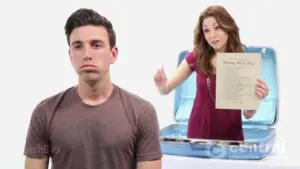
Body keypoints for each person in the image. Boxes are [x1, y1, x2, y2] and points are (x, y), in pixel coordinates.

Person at [24, 8, 162, 169]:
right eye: (78, 46)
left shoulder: (142, 113)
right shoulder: (44, 113)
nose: (87, 54)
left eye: (96, 45)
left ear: (113, 54)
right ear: (70, 55)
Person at [154, 5, 269, 141]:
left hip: (231, 138)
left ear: (228, 27)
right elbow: (166, 89)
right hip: (198, 135)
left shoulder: (241, 60)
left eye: (217, 28)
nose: (212, 35)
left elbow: (247, 114)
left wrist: (255, 99)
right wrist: (161, 85)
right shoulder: (197, 55)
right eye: (206, 30)